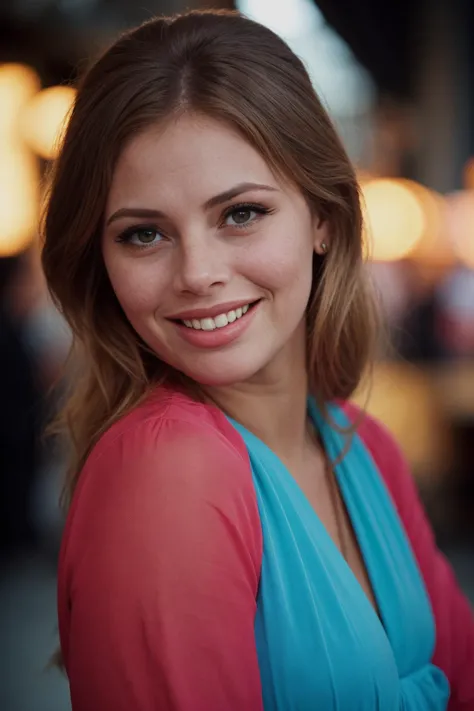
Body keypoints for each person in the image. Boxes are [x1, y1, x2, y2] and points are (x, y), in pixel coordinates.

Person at [41, 10, 474, 711]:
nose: (198, 273)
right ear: (101, 262)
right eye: (144, 233)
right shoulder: (167, 468)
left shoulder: (363, 447)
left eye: (239, 213)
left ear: (324, 217)